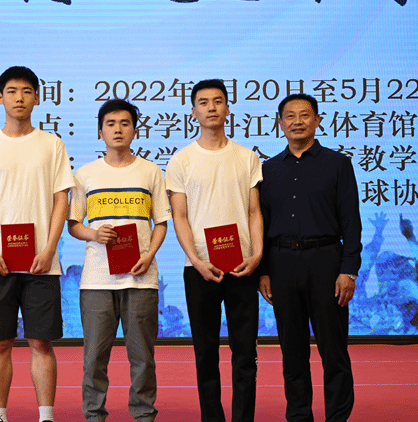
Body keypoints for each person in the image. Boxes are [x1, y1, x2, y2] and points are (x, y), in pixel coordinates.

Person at [0, 66, 75, 422]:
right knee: (0, 343)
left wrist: (50, 249)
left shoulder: (52, 145)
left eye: (27, 91)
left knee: (41, 342)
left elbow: (61, 199)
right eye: (12, 91)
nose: (19, 98)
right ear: (0, 98)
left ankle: (46, 416)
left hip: (42, 262)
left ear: (37, 98)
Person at [259, 93, 362, 422]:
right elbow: (261, 224)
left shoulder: (337, 164)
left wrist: (349, 269)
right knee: (292, 351)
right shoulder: (269, 169)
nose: (297, 122)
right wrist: (263, 271)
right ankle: (299, 415)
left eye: (305, 115)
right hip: (282, 263)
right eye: (290, 116)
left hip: (326, 262)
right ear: (280, 124)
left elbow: (351, 221)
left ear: (318, 121)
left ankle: (337, 417)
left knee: (334, 349)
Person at [165, 79, 263, 422]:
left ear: (228, 109)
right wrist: (196, 260)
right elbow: (179, 217)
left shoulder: (247, 157)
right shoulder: (181, 160)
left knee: (245, 353)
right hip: (200, 270)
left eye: (218, 101)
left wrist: (257, 254)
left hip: (242, 266)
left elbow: (254, 211)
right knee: (205, 352)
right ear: (193, 112)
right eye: (204, 102)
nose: (211, 108)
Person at [68, 99, 171, 422]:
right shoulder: (85, 174)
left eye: (125, 123)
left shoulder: (150, 171)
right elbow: (73, 225)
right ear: (100, 132)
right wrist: (94, 234)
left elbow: (161, 222)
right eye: (110, 124)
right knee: (94, 358)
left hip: (141, 278)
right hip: (97, 280)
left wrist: (149, 255)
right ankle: (94, 414)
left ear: (135, 131)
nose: (118, 129)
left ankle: (144, 414)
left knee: (143, 358)